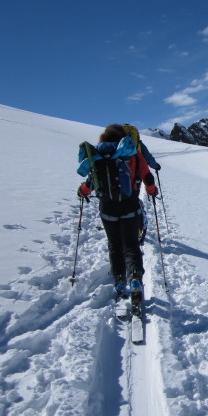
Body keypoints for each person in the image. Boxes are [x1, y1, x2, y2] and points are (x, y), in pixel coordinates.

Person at [77, 124, 157, 306]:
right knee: (131, 245)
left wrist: (82, 192)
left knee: (114, 245)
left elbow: (89, 184)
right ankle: (135, 279)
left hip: (107, 209)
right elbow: (147, 176)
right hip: (130, 207)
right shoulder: (131, 152)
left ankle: (120, 282)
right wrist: (151, 191)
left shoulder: (96, 155)